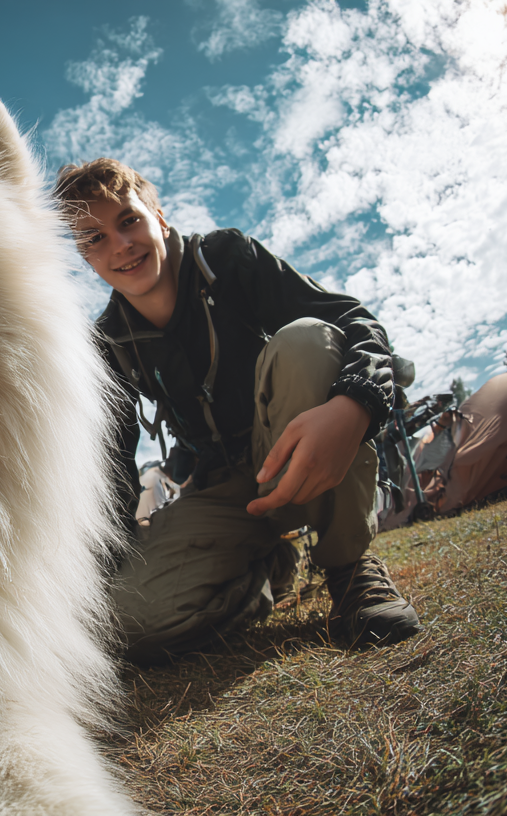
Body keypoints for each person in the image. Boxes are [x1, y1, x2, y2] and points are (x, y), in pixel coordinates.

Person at [54, 158, 421, 663]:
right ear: (85, 257)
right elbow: (114, 466)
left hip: (288, 442)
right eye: (95, 239)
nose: (119, 245)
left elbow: (351, 320)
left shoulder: (226, 258)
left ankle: (349, 567)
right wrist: (114, 568)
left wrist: (356, 404)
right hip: (221, 489)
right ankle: (265, 570)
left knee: (308, 341)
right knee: (128, 621)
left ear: (159, 218)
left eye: (129, 220)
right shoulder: (109, 344)